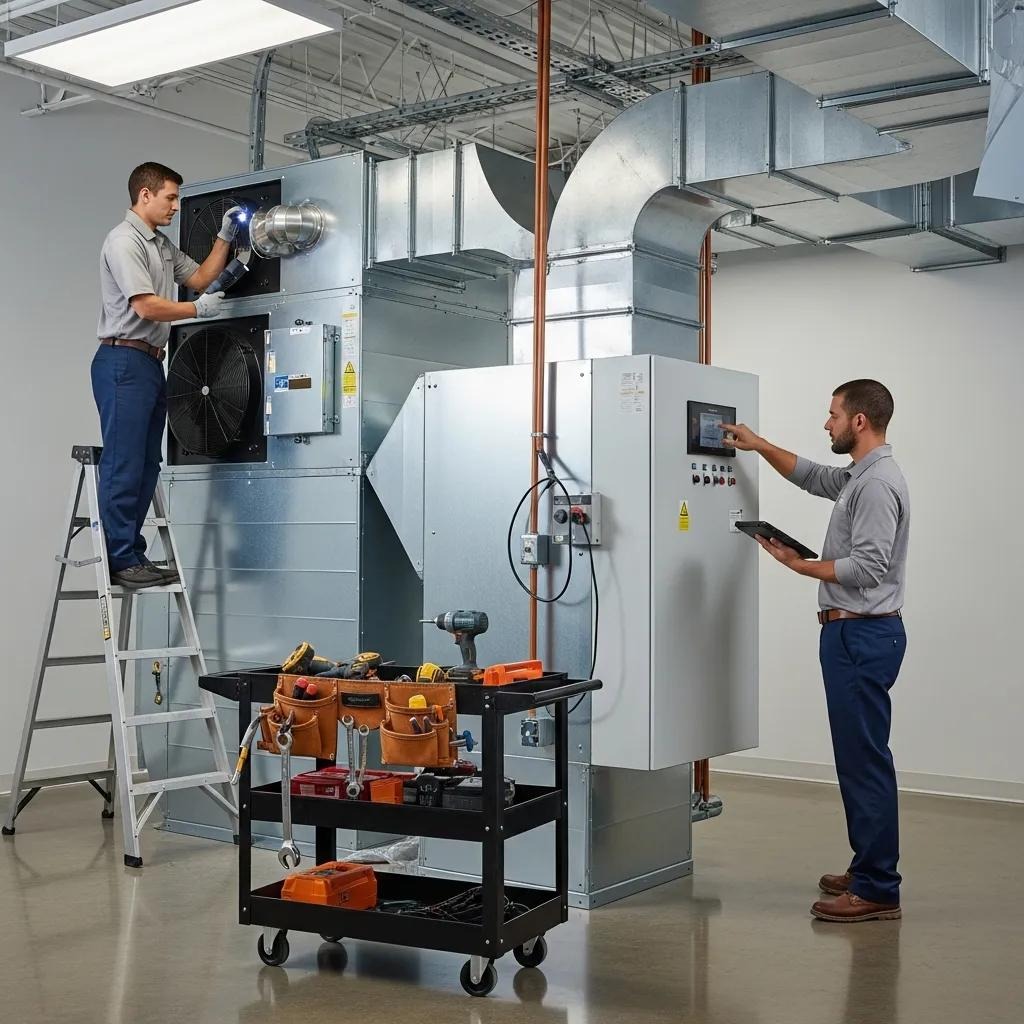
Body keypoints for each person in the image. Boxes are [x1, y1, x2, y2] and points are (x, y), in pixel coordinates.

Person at [722, 380, 909, 923]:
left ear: (858, 422)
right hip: (853, 634)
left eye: (832, 415)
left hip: (861, 636)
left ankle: (878, 887)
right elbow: (812, 476)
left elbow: (869, 567)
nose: (825, 423)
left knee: (864, 761)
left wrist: (801, 566)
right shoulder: (861, 476)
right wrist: (758, 445)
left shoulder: (876, 486)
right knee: (859, 757)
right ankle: (869, 865)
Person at [93, 161, 242, 589]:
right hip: (121, 360)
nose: (176, 206)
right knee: (123, 461)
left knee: (147, 462)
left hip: (148, 361)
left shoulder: (158, 244)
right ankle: (119, 557)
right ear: (145, 195)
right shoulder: (123, 242)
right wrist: (197, 309)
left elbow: (199, 277)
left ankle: (132, 553)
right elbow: (146, 306)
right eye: (171, 197)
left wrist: (224, 237)